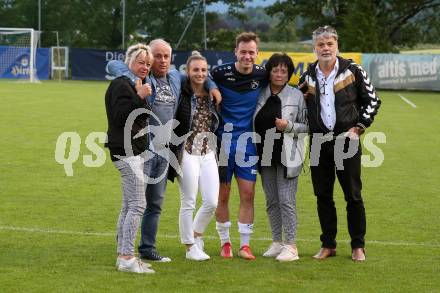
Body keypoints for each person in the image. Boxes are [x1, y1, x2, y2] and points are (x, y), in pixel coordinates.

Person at [106, 39, 221, 263]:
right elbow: (114, 67)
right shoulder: (144, 77)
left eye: (166, 56)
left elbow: (201, 73)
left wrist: (213, 86)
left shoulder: (176, 78)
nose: (162, 60)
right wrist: (136, 76)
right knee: (134, 201)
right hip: (142, 148)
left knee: (155, 202)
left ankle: (147, 248)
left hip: (165, 151)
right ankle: (124, 245)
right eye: (156, 56)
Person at [299, 25, 381, 262]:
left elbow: (373, 101)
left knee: (353, 195)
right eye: (320, 45)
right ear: (315, 48)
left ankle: (358, 246)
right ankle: (328, 245)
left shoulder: (353, 70)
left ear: (337, 45)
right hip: (318, 142)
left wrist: (359, 128)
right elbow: (300, 100)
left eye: (329, 44)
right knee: (322, 195)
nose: (325, 48)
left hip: (346, 140)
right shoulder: (308, 75)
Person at [211, 32, 268, 260]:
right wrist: (212, 87)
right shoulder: (220, 73)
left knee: (248, 194)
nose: (247, 56)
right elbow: (203, 78)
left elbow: (284, 83)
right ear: (236, 51)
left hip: (248, 145)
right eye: (243, 51)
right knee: (222, 196)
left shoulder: (262, 75)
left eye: (251, 52)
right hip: (222, 143)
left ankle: (245, 245)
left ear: (257, 54)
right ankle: (225, 243)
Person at [104, 43, 155, 273]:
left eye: (148, 64)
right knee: (138, 205)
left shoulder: (134, 84)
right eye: (141, 62)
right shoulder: (121, 84)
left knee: (129, 205)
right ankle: (127, 257)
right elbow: (119, 116)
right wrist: (139, 96)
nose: (145, 67)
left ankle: (122, 254)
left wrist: (140, 95)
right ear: (129, 62)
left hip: (133, 148)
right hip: (126, 150)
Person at [253, 53, 308, 262]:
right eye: (275, 69)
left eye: (283, 70)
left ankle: (291, 245)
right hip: (264, 154)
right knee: (271, 201)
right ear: (269, 72)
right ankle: (277, 242)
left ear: (289, 74)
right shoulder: (260, 93)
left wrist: (289, 126)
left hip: (288, 156)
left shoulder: (296, 96)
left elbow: (307, 127)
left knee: (286, 201)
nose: (279, 74)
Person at [168, 51, 220, 261]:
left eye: (203, 70)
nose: (200, 73)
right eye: (195, 69)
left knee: (211, 202)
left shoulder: (213, 94)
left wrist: (213, 86)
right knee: (188, 201)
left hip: (208, 152)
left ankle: (196, 235)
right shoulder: (181, 91)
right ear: (187, 72)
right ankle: (190, 247)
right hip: (186, 152)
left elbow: (211, 82)